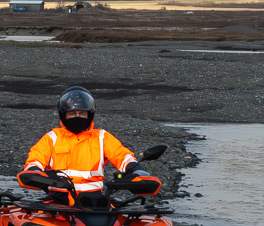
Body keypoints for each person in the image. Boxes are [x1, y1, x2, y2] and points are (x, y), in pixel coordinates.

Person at [18, 87, 161, 206]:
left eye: (82, 113)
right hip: (58, 200)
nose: (77, 117)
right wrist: (34, 171)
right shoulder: (52, 138)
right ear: (63, 116)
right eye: (72, 113)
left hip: (95, 201)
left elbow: (121, 155)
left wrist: (136, 169)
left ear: (89, 115)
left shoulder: (102, 137)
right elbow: (36, 158)